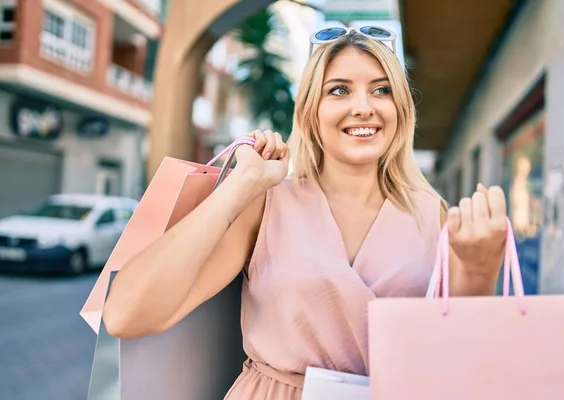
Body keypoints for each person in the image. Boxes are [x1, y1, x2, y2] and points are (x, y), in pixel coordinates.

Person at [103, 27, 508, 399]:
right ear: (311, 111)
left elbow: (457, 355)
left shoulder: (431, 213)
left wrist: (481, 267)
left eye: (381, 90)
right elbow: (125, 315)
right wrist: (239, 188)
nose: (364, 107)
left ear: (401, 109)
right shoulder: (267, 203)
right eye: (339, 90)